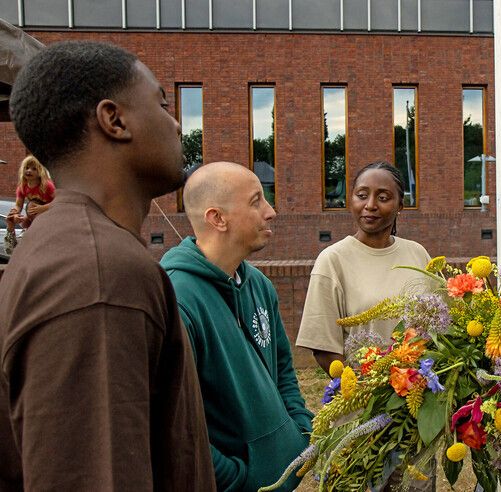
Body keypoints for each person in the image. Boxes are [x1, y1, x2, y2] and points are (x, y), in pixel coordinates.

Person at [0, 41, 215, 490]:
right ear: (114, 120)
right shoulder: (99, 276)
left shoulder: (72, 246)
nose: (177, 124)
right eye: (161, 103)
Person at [160, 162, 313, 492]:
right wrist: (237, 479)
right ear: (217, 218)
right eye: (256, 201)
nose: (270, 211)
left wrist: (299, 432)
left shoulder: (258, 283)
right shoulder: (177, 299)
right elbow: (174, 424)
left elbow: (283, 369)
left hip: (285, 475)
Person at [296, 161, 432, 372]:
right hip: (368, 399)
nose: (370, 205)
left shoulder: (418, 254)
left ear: (400, 206)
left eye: (383, 198)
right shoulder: (332, 260)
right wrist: (367, 391)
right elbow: (324, 349)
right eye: (362, 195)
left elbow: (442, 327)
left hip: (422, 395)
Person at [3, 155, 55, 252]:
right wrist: (15, 213)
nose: (29, 171)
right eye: (26, 168)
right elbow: (18, 205)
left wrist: (43, 208)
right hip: (35, 217)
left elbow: (60, 201)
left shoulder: (47, 185)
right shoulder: (22, 187)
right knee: (21, 220)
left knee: (31, 207)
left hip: (48, 214)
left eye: (34, 169)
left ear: (40, 172)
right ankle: (23, 233)